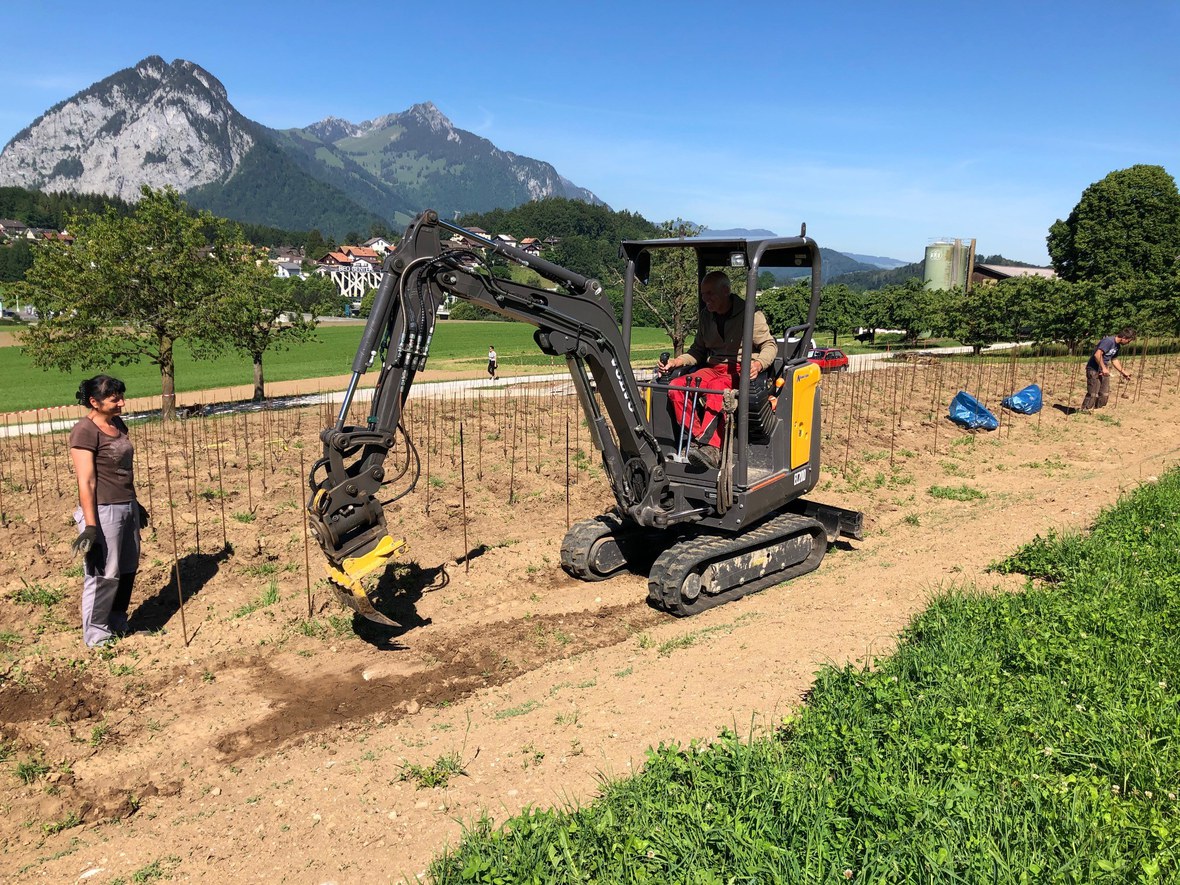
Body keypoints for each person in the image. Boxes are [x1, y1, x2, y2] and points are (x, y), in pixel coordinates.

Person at [658, 271, 778, 469]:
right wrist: (676, 362)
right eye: (703, 294)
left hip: (741, 369)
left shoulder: (751, 314)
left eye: (710, 294)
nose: (705, 299)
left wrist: (757, 364)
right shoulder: (706, 316)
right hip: (713, 367)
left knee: (717, 390)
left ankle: (713, 448)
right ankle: (697, 440)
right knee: (677, 386)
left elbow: (769, 345)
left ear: (726, 291)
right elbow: (697, 351)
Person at [68, 375, 148, 647]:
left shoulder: (117, 424)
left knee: (127, 568)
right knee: (104, 572)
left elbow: (123, 469)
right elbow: (86, 480)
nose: (122, 403)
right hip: (103, 511)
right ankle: (96, 634)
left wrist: (134, 503)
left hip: (126, 506)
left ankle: (117, 621)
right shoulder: (85, 431)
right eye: (115, 399)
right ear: (94, 401)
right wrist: (91, 525)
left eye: (121, 397)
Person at [1081, 327, 1135, 411]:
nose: (1128, 343)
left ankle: (1096, 410)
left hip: (1103, 370)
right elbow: (1097, 355)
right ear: (1124, 338)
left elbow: (1114, 360)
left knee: (1104, 394)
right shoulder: (1108, 341)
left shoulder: (1117, 346)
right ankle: (1084, 410)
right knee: (1093, 393)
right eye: (1129, 341)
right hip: (1093, 369)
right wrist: (1103, 368)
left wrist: (1124, 372)